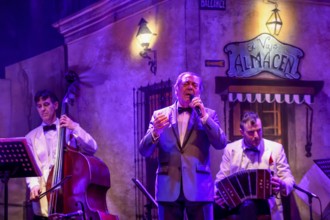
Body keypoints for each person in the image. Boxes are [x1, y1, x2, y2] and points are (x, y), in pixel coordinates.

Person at [139, 71, 227, 220]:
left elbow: (220, 143)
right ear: (176, 89)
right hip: (168, 188)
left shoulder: (209, 115)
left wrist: (204, 118)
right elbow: (144, 151)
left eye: (195, 85)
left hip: (200, 189)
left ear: (199, 91)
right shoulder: (160, 115)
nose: (190, 87)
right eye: (186, 83)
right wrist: (155, 132)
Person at [25, 89, 98, 219]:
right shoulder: (30, 137)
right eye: (39, 106)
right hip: (43, 200)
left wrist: (75, 127)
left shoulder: (69, 129)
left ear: (56, 105)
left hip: (70, 196)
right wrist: (34, 185)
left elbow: (92, 147)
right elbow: (31, 168)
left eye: (46, 104)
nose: (43, 109)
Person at [214, 111, 295, 220]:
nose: (256, 136)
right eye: (251, 132)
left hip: (268, 211)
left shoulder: (276, 149)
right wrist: (218, 194)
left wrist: (283, 185)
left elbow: (289, 179)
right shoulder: (230, 149)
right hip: (238, 212)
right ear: (242, 132)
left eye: (259, 131)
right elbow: (221, 180)